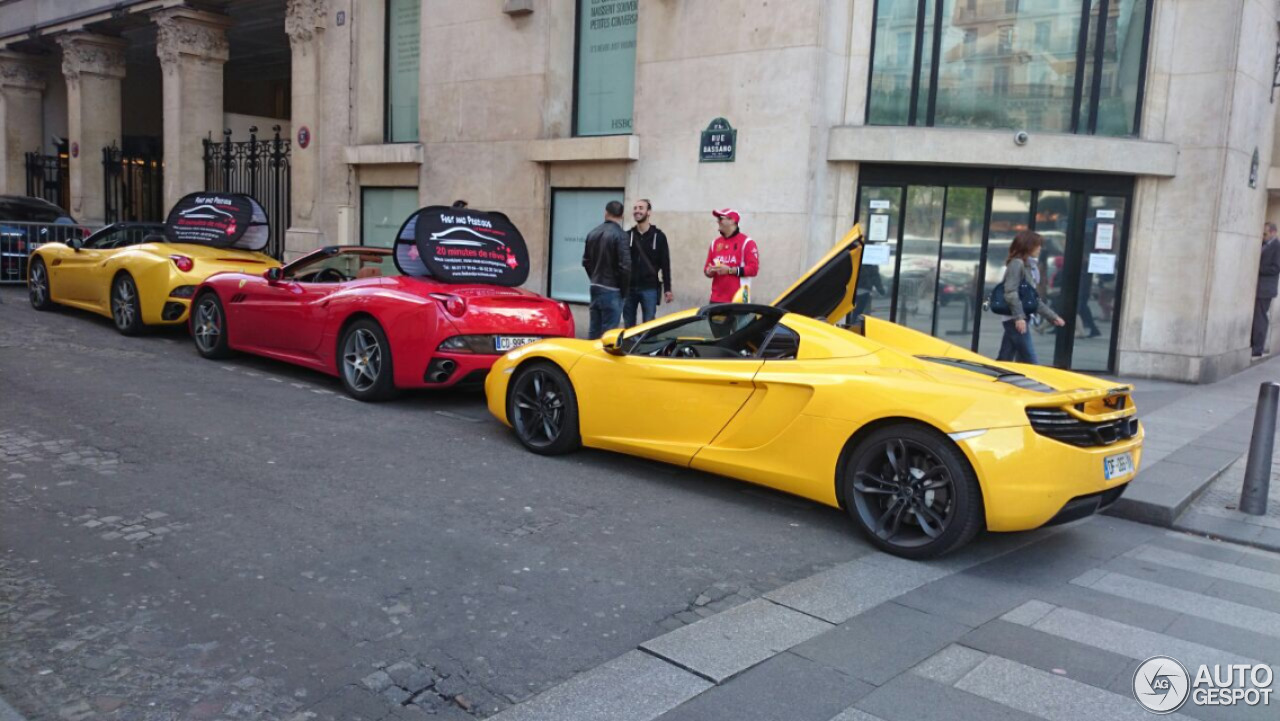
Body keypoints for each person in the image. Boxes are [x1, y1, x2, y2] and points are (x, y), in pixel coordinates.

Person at [997, 230, 1065, 364]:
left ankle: (991, 379)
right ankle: (1036, 383)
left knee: (1005, 357)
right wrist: (1019, 317)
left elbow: (1032, 298)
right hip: (1015, 319)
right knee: (1030, 360)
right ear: (1027, 246)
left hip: (1018, 318)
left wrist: (1052, 316)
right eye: (1037, 245)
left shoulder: (1029, 266)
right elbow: (1010, 292)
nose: (1040, 248)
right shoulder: (1017, 264)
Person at [582, 200, 630, 340]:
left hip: (596, 286)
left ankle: (589, 359)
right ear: (621, 216)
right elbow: (625, 267)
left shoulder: (593, 233)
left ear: (606, 213)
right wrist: (624, 291)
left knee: (594, 330)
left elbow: (586, 262)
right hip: (612, 289)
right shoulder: (621, 235)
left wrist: (594, 278)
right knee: (609, 334)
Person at [623, 199, 672, 327]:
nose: (637, 211)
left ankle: (646, 347)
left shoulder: (659, 236)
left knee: (648, 325)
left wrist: (667, 289)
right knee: (628, 325)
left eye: (641, 208)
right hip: (629, 288)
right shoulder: (627, 236)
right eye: (635, 208)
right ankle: (630, 347)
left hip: (650, 288)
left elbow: (665, 264)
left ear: (648, 212)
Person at [704, 208, 759, 303]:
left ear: (732, 221)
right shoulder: (715, 243)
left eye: (720, 218)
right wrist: (709, 271)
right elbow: (706, 269)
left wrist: (729, 270)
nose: (718, 221)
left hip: (739, 299)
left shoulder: (747, 242)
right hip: (716, 300)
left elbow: (753, 269)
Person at [1253, 222, 1280, 359]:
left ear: (1273, 232)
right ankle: (1254, 344)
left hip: (1266, 288)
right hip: (1257, 287)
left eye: (1266, 233)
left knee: (1260, 317)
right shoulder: (1264, 244)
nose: (1263, 236)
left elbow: (1276, 268)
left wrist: (1258, 269)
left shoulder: (1277, 247)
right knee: (1257, 317)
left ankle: (1258, 348)